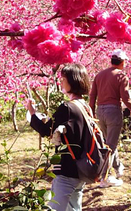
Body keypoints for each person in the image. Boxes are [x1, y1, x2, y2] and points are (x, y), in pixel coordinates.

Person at [26, 63, 92, 211]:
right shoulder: (84, 106)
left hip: (67, 167)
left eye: (63, 78)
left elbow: (46, 130)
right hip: (82, 166)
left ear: (73, 80)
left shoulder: (67, 107)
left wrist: (32, 113)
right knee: (74, 207)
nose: (60, 81)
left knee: (56, 208)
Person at [89, 49, 131, 188]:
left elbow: (92, 95)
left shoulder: (99, 75)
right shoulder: (121, 76)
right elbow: (125, 98)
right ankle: (105, 178)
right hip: (113, 111)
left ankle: (118, 167)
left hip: (100, 111)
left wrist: (91, 112)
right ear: (122, 62)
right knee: (110, 146)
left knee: (108, 142)